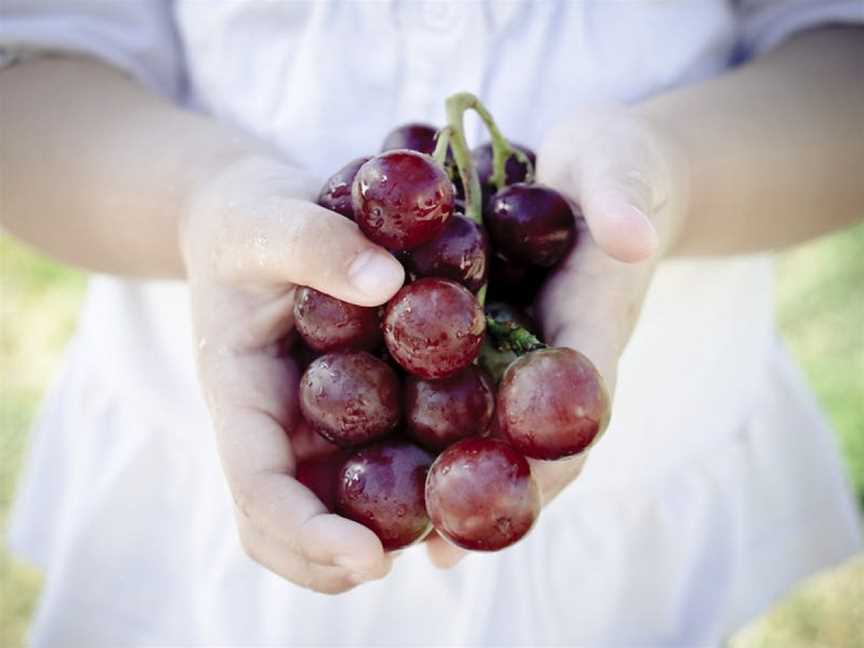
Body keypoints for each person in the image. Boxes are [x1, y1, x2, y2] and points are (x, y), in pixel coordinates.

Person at [2, 1, 862, 645]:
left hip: (648, 464)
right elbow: (31, 76)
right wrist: (199, 204)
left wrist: (672, 171)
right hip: (225, 439)